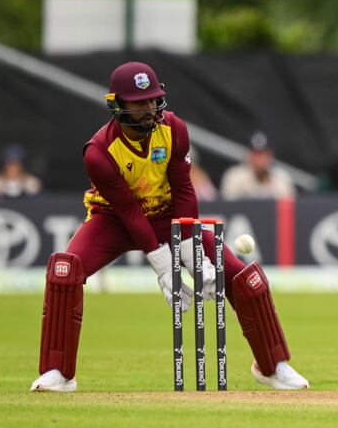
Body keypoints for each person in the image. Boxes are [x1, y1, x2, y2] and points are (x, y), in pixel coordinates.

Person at [30, 62, 308, 392]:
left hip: (167, 217)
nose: (149, 109)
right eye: (139, 102)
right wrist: (165, 269)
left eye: (152, 100)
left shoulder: (174, 128)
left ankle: (272, 365)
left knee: (243, 277)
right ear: (117, 104)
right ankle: (58, 373)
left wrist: (194, 253)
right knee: (65, 270)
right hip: (113, 220)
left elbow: (184, 189)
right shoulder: (99, 152)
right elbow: (130, 212)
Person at [220, 131, 296, 200]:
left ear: (270, 156)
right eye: (256, 154)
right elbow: (228, 207)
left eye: (263, 154)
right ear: (249, 155)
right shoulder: (235, 176)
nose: (260, 159)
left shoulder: (282, 178)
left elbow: (291, 208)